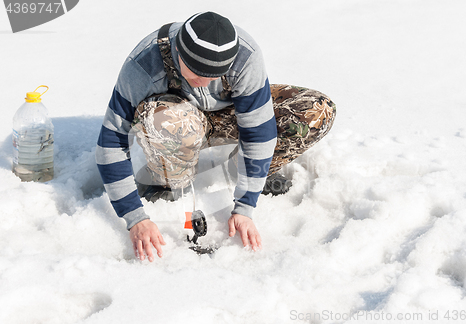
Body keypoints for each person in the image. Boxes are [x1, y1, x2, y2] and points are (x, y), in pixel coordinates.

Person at [96, 11, 335, 262]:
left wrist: (245, 207)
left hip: (228, 117)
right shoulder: (144, 65)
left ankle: (242, 171)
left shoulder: (245, 56)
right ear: (179, 53)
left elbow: (259, 133)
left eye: (214, 75)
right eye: (196, 73)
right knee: (165, 121)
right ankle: (167, 178)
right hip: (177, 121)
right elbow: (111, 142)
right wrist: (135, 218)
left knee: (316, 110)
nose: (204, 82)